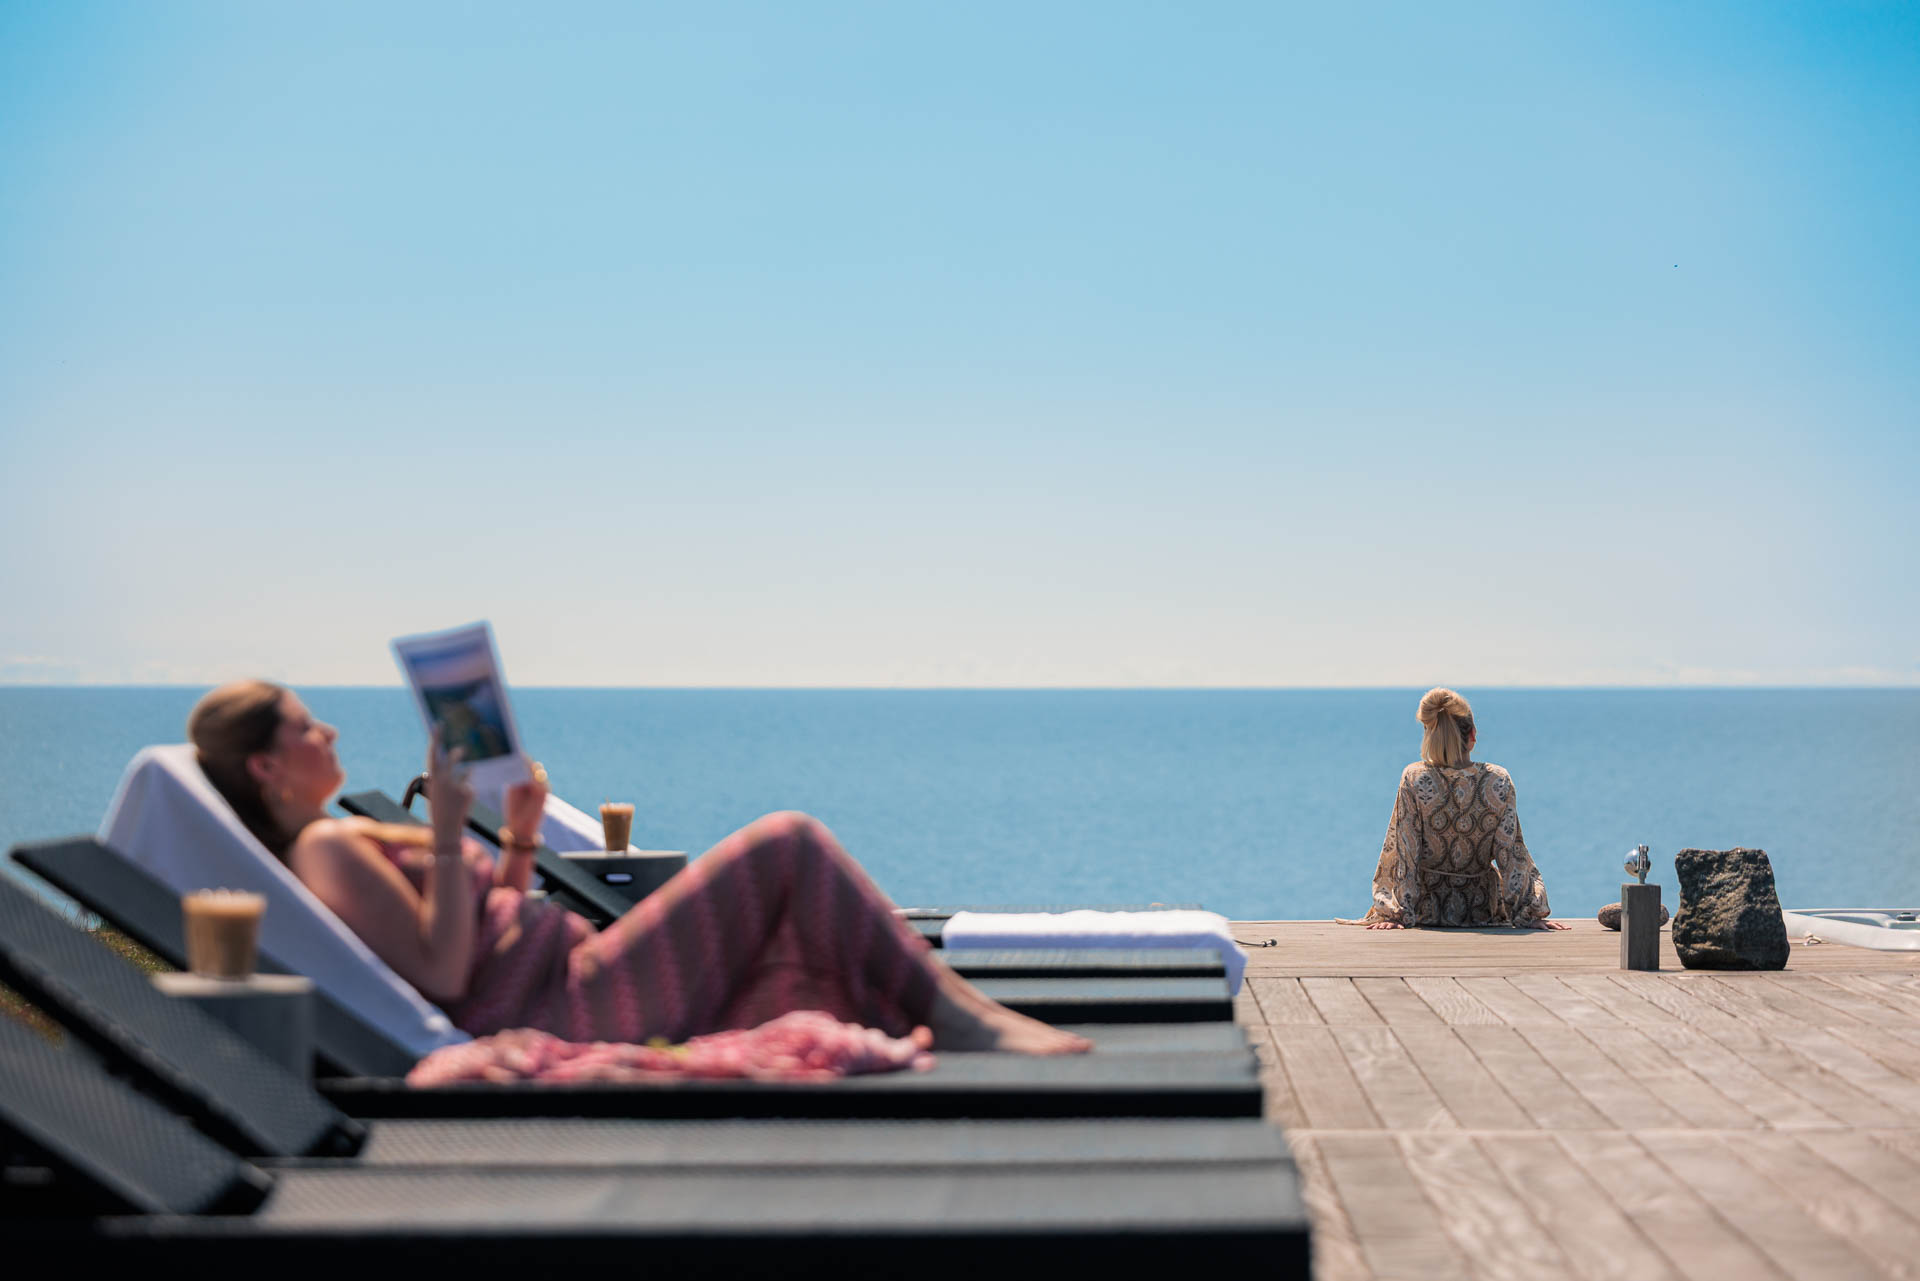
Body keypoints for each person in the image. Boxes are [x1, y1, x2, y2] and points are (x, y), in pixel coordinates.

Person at [187, 680, 1090, 1054]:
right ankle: (970, 1020)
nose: (329, 732)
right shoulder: (322, 849)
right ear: (266, 767)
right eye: (305, 727)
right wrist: (457, 816)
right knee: (787, 843)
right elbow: (446, 974)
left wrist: (520, 840)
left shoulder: (342, 843)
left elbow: (483, 928)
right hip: (566, 1002)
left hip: (558, 975)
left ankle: (960, 1015)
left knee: (787, 893)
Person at [1356, 687, 1568, 930]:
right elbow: (1510, 854)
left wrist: (1397, 914)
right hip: (1481, 911)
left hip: (1426, 913)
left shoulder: (1414, 778)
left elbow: (1407, 852)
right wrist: (1529, 913)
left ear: (1429, 733)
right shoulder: (1497, 780)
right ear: (1473, 735)